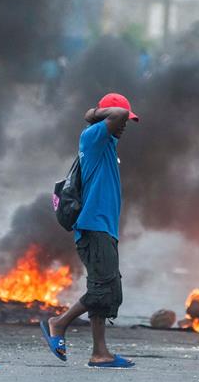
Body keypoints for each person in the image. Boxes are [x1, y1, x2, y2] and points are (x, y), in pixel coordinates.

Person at [40, 92, 139, 368]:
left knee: (105, 288)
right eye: (123, 119)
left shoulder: (105, 141)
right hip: (94, 227)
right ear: (107, 116)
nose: (125, 125)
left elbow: (117, 119)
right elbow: (113, 116)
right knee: (102, 290)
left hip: (103, 228)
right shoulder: (93, 136)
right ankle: (58, 323)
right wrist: (95, 113)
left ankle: (100, 352)